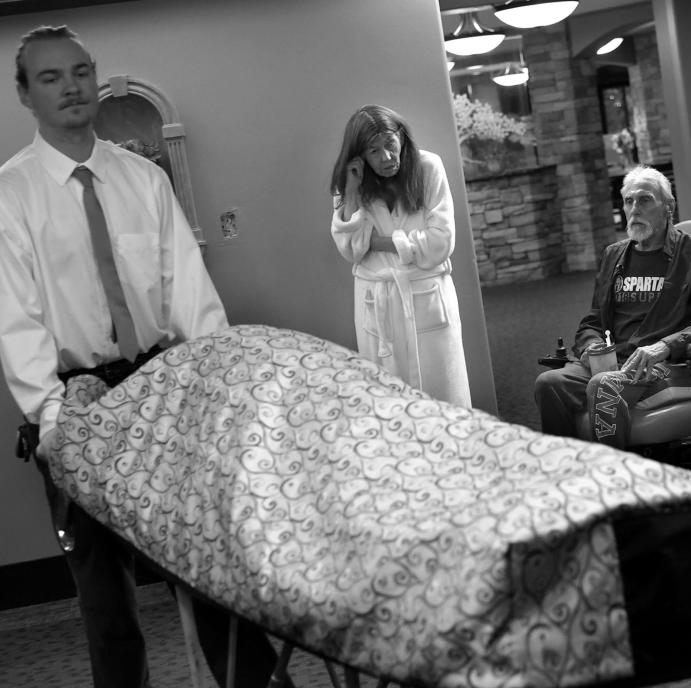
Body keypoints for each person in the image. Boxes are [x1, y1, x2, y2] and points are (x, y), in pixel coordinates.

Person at [0, 26, 293, 687]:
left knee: (210, 575)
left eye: (81, 70)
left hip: (160, 387)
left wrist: (216, 384)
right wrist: (52, 419)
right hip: (76, 404)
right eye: (50, 77)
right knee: (108, 602)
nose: (71, 85)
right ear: (25, 92)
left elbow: (190, 294)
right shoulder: (10, 197)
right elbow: (15, 320)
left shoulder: (143, 180)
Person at [534, 165, 691, 449]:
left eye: (645, 200)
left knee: (604, 385)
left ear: (668, 206)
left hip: (665, 363)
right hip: (616, 361)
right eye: (629, 201)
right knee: (549, 383)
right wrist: (591, 347)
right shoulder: (614, 255)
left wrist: (664, 346)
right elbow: (593, 320)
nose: (634, 209)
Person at [330, 104, 471, 408]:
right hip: (376, 304)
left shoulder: (428, 168)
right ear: (360, 155)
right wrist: (352, 193)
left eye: (390, 145)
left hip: (427, 297)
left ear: (402, 137)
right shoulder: (351, 183)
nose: (386, 158)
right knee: (389, 406)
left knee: (445, 399)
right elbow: (351, 249)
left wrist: (380, 243)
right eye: (373, 151)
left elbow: (441, 242)